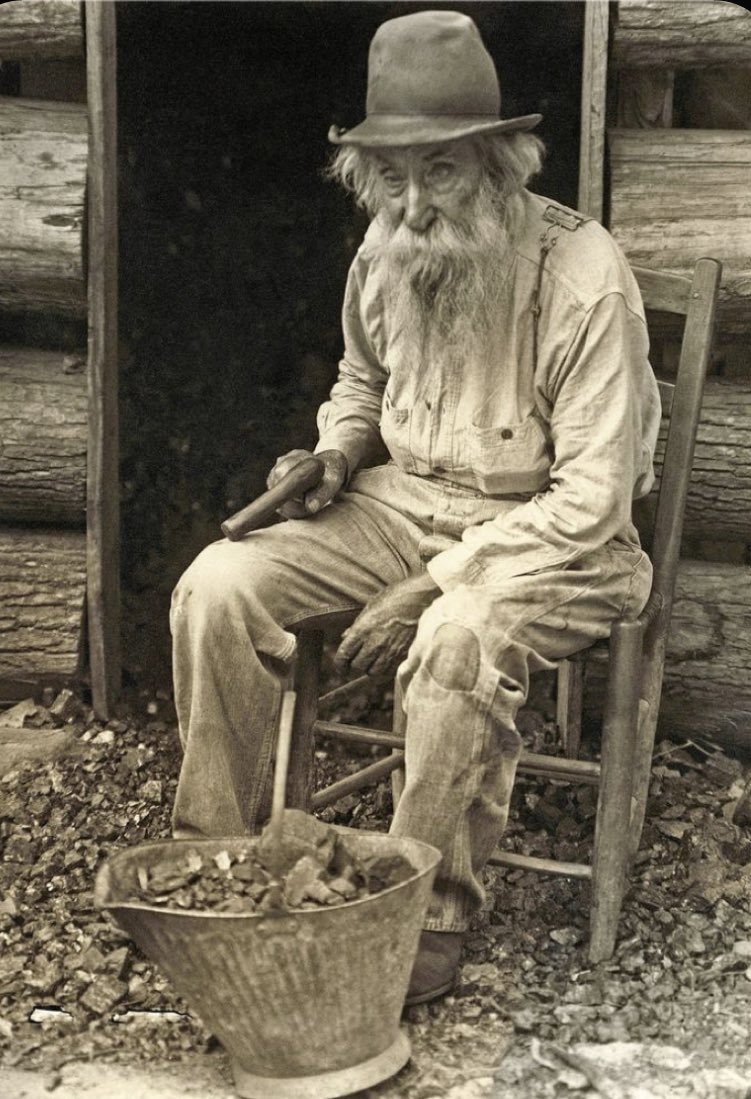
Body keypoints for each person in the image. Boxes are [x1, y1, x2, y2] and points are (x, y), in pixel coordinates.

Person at [170, 10, 661, 1004]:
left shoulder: (582, 277)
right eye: (388, 175)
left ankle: (425, 911)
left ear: (498, 162)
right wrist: (336, 450)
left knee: (453, 638)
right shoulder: (384, 248)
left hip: (558, 536)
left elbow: (594, 500)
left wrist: (430, 583)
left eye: (438, 170)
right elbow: (360, 378)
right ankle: (216, 862)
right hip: (403, 502)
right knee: (217, 584)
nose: (412, 201)